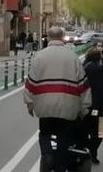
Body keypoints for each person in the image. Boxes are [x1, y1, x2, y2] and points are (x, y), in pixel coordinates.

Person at [25, 27, 92, 169]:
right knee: (64, 137)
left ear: (49, 38)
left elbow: (30, 83)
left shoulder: (40, 57)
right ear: (62, 38)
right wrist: (84, 107)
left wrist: (30, 104)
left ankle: (47, 154)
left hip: (45, 106)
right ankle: (60, 164)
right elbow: (83, 84)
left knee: (45, 133)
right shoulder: (72, 57)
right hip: (67, 106)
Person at [82, 47, 103, 164]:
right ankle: (93, 150)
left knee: (86, 129)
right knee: (101, 132)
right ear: (99, 58)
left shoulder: (83, 68)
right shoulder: (102, 69)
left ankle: (87, 148)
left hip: (86, 104)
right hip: (102, 105)